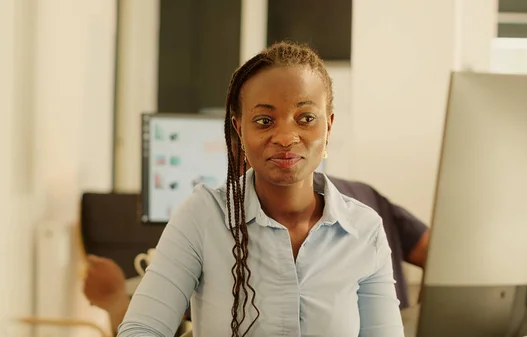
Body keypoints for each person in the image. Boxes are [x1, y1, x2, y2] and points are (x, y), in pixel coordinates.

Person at [115, 41, 404, 337]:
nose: (286, 137)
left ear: (328, 126)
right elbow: (141, 330)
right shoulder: (203, 216)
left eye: (306, 119)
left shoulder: (363, 230)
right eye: (264, 121)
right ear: (240, 130)